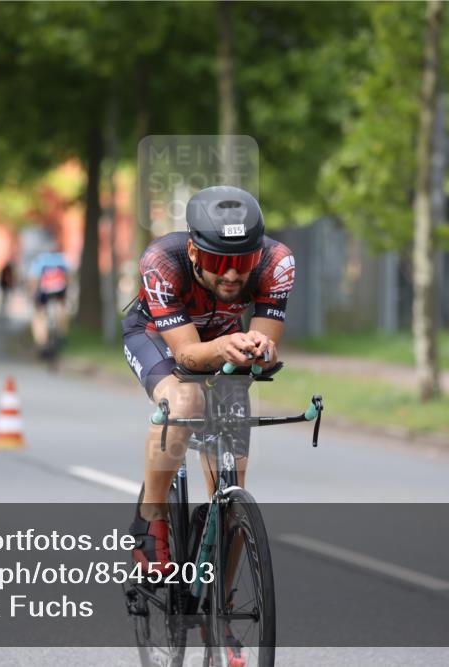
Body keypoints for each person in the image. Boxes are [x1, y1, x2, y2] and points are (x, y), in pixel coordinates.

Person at [121, 185, 295, 576]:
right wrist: (227, 346)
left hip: (224, 338)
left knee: (233, 490)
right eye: (218, 262)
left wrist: (261, 352)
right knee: (185, 403)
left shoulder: (277, 262)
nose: (232, 273)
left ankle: (221, 609)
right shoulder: (162, 260)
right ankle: (151, 521)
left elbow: (267, 345)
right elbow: (186, 355)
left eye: (244, 260)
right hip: (157, 338)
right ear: (195, 253)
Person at [28, 247, 70, 355]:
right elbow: (68, 277)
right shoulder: (61, 259)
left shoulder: (40, 260)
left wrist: (32, 295)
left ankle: (41, 341)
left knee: (39, 315)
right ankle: (62, 334)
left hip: (44, 291)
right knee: (61, 310)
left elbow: (34, 279)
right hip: (60, 290)